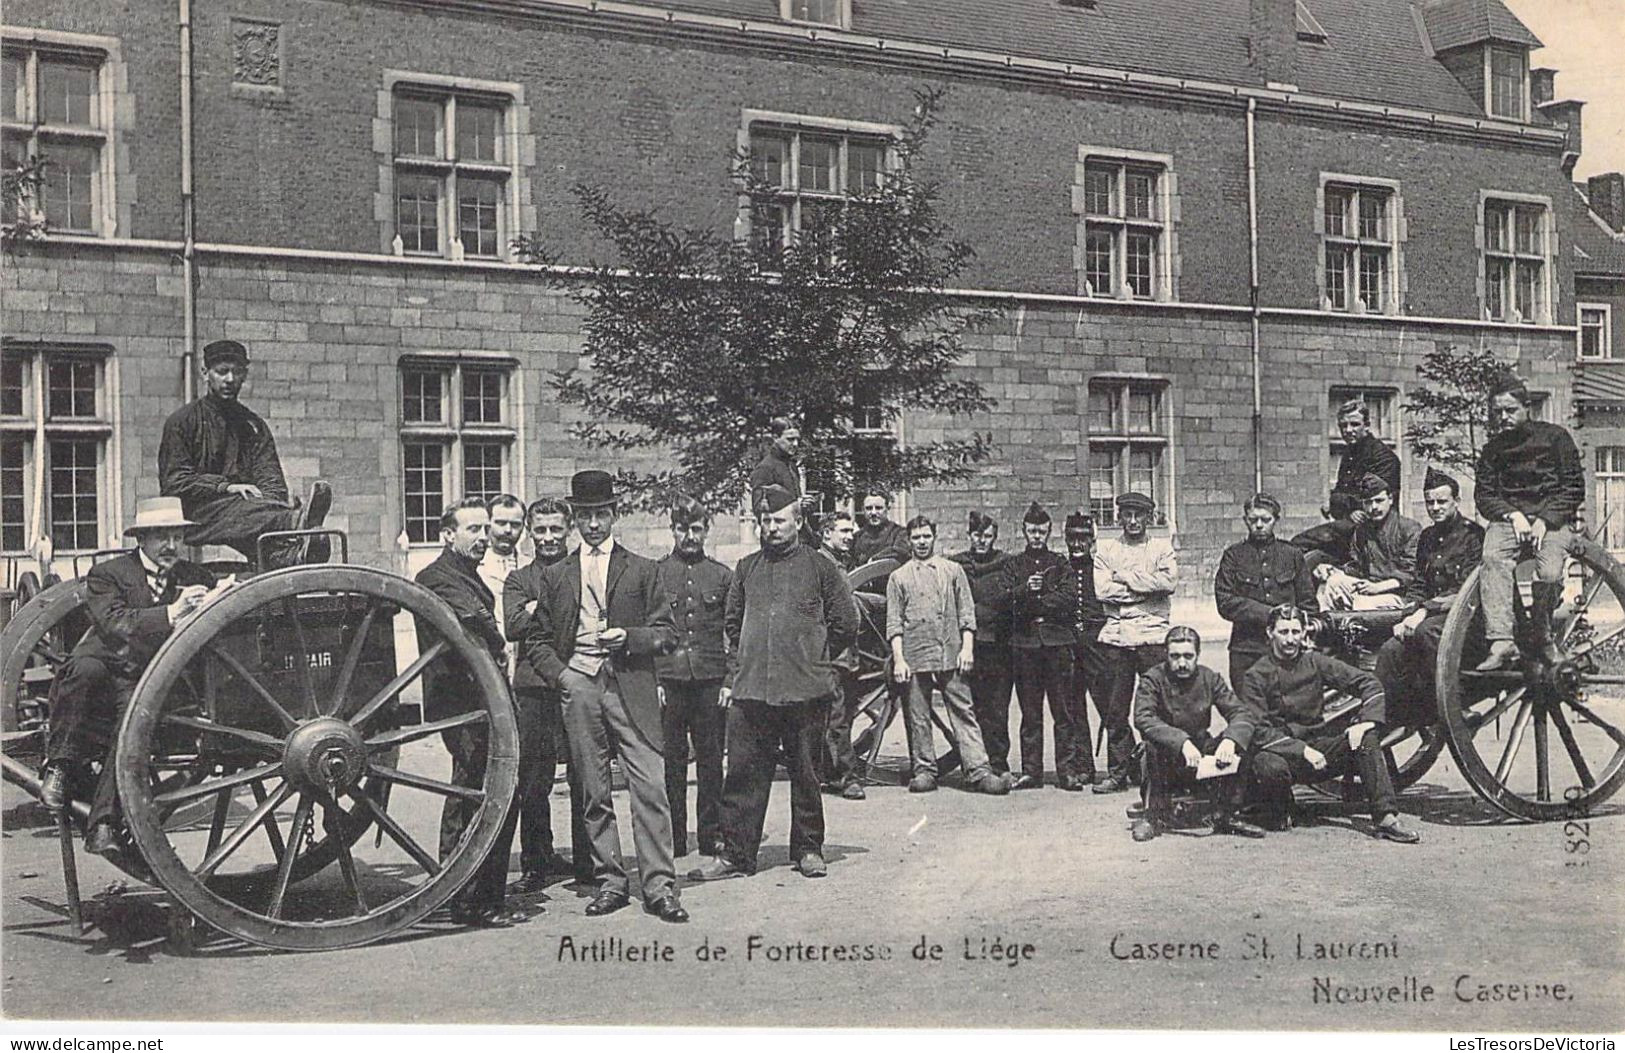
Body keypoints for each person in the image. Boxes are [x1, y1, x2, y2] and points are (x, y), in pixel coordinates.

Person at [523, 470, 688, 923]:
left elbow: (667, 634)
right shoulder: (556, 575)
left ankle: (659, 886)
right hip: (579, 686)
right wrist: (563, 678)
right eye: (585, 516)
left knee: (650, 787)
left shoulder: (642, 569)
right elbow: (534, 640)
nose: (593, 524)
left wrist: (630, 637)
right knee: (593, 790)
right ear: (575, 519)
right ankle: (611, 881)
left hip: (629, 686)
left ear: (614, 515)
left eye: (601, 514)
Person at [688, 485, 858, 882]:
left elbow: (845, 623)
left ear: (798, 522)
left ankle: (809, 849)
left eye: (779, 520)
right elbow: (732, 624)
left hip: (805, 690)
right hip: (752, 692)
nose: (771, 527)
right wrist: (739, 671)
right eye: (765, 520)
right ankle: (736, 854)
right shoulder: (746, 568)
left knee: (806, 772)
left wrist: (817, 661)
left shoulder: (820, 567)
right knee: (744, 774)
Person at [38, 497, 217, 857]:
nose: (171, 546)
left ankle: (103, 824)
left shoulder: (195, 577)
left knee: (132, 723)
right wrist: (171, 612)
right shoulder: (109, 574)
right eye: (161, 537)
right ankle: (58, 767)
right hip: (106, 667)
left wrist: (216, 598)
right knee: (83, 671)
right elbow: (115, 623)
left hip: (149, 677)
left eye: (176, 537)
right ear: (142, 539)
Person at [413, 497, 527, 927]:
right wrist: (498, 642)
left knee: (474, 789)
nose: (484, 538)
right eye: (473, 530)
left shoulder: (462, 574)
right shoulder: (439, 576)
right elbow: (473, 617)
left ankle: (466, 890)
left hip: (477, 702)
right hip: (462, 703)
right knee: (477, 792)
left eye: (485, 530)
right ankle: (470, 897)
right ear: (448, 535)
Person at [1240, 605, 1421, 843]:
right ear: (1269, 633)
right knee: (1269, 768)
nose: (1290, 639)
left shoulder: (1315, 661)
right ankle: (1280, 807)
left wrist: (1366, 722)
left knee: (1365, 740)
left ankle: (1386, 817)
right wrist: (1302, 750)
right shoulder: (1255, 675)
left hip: (1319, 749)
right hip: (1281, 752)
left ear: (1304, 633)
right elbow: (1259, 731)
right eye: (1283, 632)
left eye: (1296, 632)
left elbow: (1369, 683)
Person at [158, 339, 331, 568]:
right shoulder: (182, 422)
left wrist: (270, 502)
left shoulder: (253, 426)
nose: (230, 379)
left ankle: (290, 554)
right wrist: (225, 486)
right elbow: (174, 483)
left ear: (244, 376)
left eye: (237, 372)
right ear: (205, 373)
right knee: (246, 506)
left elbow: (271, 479)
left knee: (259, 512)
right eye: (222, 372)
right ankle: (295, 520)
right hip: (195, 515)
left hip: (249, 514)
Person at [503, 496, 591, 892]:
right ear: (529, 532)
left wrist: (538, 610)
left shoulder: (583, 570)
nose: (549, 537)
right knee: (534, 780)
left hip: (576, 684)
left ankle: (588, 861)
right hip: (534, 687)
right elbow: (513, 624)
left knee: (582, 774)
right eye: (540, 530)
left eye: (556, 529)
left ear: (569, 529)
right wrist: (548, 611)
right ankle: (537, 861)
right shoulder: (519, 579)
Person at [886, 515, 1009, 795]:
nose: (921, 542)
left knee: (963, 711)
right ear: (909, 540)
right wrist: (899, 659)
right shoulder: (899, 578)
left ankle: (979, 770)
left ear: (934, 536)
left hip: (950, 652)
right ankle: (924, 770)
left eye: (926, 536)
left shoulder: (953, 571)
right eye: (916, 537)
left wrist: (966, 648)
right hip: (914, 653)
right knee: (917, 715)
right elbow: (894, 623)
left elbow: (966, 615)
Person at [1474, 376, 1587, 671]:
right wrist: (1513, 515)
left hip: (1551, 519)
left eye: (1510, 410)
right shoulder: (1492, 449)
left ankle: (1543, 635)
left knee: (1549, 572)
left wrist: (1546, 520)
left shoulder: (1556, 438)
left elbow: (1574, 487)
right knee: (1492, 557)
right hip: (1510, 520)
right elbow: (1484, 495)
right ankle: (1501, 640)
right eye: (1497, 412)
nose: (1503, 418)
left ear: (1527, 407)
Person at [1130, 627, 1267, 842]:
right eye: (1175, 656)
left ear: (1198, 655)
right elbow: (1143, 718)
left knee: (1241, 739)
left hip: (1201, 751)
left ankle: (1228, 814)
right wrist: (1181, 742)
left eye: (1188, 656)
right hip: (1168, 757)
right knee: (1151, 748)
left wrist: (1230, 741)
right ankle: (1153, 817)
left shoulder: (1209, 678)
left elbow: (1241, 713)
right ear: (1166, 654)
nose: (1182, 663)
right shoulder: (1153, 679)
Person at [654, 496, 733, 858]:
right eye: (683, 529)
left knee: (711, 761)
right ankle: (675, 836)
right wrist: (654, 678)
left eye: (696, 529)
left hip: (709, 681)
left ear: (706, 531)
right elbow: (649, 629)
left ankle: (710, 833)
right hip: (669, 680)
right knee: (671, 763)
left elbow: (736, 631)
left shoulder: (721, 576)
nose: (689, 536)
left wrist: (729, 680)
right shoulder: (656, 574)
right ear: (673, 530)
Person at [1373, 468, 1485, 727]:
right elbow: (1420, 583)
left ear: (1456, 501)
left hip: (1466, 621)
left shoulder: (1473, 536)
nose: (1435, 507)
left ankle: (1455, 705)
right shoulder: (1427, 537)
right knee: (1391, 648)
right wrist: (1408, 612)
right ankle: (1383, 714)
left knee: (1425, 632)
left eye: (1441, 501)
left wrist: (1423, 611)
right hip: (1431, 618)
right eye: (1430, 502)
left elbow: (1467, 591)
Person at [1093, 491, 1177, 793]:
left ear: (1148, 518)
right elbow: (1103, 592)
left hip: (1153, 636)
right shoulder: (1106, 550)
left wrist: (1125, 577)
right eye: (1126, 515)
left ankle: (1162, 771)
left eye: (1138, 515)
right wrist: (1145, 589)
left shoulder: (1161, 548)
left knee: (1157, 707)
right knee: (1115, 710)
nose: (1132, 521)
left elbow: (1168, 584)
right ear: (1119, 518)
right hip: (1116, 637)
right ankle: (1118, 772)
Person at [1000, 501, 1079, 790]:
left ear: (1049, 532)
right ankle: (1031, 771)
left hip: (1057, 644)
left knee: (1063, 711)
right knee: (1030, 712)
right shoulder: (1014, 565)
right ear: (1024, 531)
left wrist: (1037, 602)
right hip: (1025, 647)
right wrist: (1024, 591)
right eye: (1032, 531)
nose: (1037, 536)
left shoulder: (1060, 563)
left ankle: (1067, 771)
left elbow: (1069, 599)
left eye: (1042, 531)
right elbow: (1005, 602)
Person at [1214, 493, 1316, 689]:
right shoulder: (1234, 556)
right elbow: (1225, 602)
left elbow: (1308, 603)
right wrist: (1270, 614)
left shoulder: (1292, 554)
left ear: (1275, 520)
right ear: (1245, 520)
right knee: (1247, 710)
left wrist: (1303, 636)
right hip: (1246, 650)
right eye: (1253, 520)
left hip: (1287, 649)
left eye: (1265, 519)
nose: (1259, 525)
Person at [947, 511, 1015, 778]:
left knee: (998, 708)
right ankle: (974, 764)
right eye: (977, 535)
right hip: (967, 647)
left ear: (994, 538)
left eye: (987, 536)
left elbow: (1009, 601)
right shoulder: (957, 566)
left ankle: (998, 763)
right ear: (969, 535)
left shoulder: (1005, 565)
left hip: (998, 646)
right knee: (972, 707)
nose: (982, 541)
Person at [1310, 474, 1421, 611]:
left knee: (1361, 603)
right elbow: (1357, 567)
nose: (1374, 507)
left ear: (1390, 499)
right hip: (1369, 587)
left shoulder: (1409, 528)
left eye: (1379, 500)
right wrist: (1334, 570)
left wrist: (1378, 587)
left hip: (1398, 594)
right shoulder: (1362, 530)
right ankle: (1321, 625)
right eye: (1368, 502)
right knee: (1331, 583)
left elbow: (1411, 572)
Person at [816, 510, 867, 799]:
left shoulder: (837, 564)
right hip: (831, 656)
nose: (850, 536)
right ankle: (844, 778)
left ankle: (830, 772)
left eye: (851, 531)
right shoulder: (821, 565)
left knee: (839, 716)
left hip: (844, 656)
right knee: (836, 719)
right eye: (843, 531)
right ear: (826, 534)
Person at [1063, 511, 1106, 786]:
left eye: (1083, 539)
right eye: (1072, 538)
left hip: (1097, 645)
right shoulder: (1060, 568)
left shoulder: (1101, 569)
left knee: (1109, 707)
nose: (1077, 544)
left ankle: (1123, 765)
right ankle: (1083, 766)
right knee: (1074, 708)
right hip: (1069, 647)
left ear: (1092, 541)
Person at [1329, 398, 1401, 524]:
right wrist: (1347, 507)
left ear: (1367, 426)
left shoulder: (1383, 457)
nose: (1348, 430)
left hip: (1378, 528)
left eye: (1355, 424)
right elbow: (1337, 496)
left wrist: (1345, 504)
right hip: (1352, 522)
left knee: (1304, 540)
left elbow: (1376, 500)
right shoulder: (1349, 454)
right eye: (1343, 425)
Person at [748, 416, 802, 512]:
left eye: (797, 439)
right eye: (790, 439)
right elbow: (759, 510)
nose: (795, 444)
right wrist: (796, 505)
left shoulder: (792, 466)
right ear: (775, 438)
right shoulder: (765, 468)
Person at [851, 491, 910, 566]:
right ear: (863, 510)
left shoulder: (899, 533)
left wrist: (874, 559)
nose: (873, 513)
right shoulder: (857, 537)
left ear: (887, 508)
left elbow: (900, 551)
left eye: (878, 508)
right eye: (869, 508)